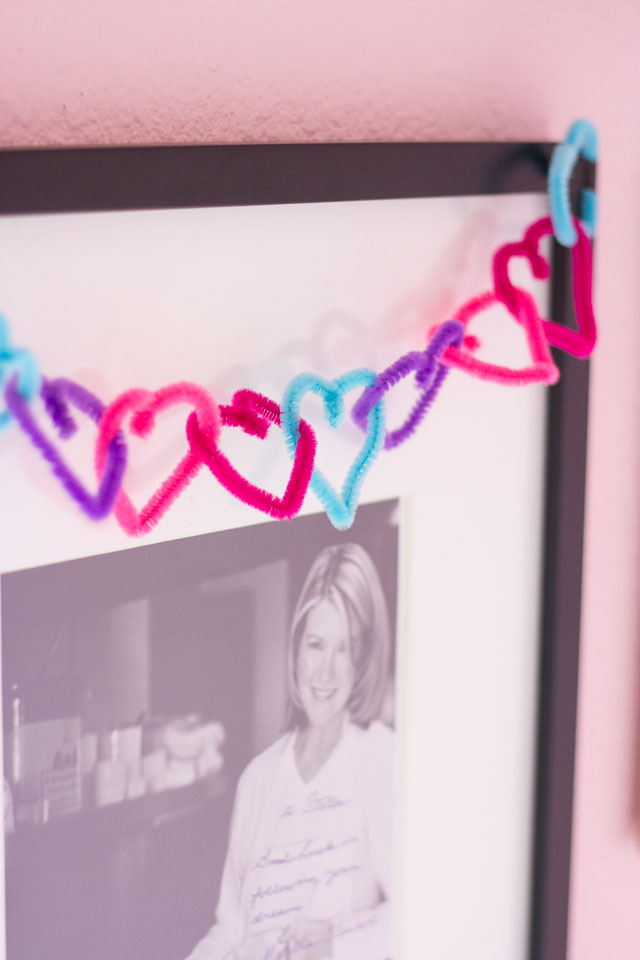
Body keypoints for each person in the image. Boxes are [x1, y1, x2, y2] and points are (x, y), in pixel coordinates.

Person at [186, 543, 395, 960]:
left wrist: (337, 940)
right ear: (295, 648)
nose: (326, 672)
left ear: (364, 659)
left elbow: (425, 909)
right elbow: (231, 929)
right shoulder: (257, 779)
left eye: (346, 648)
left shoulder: (381, 758)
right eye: (316, 645)